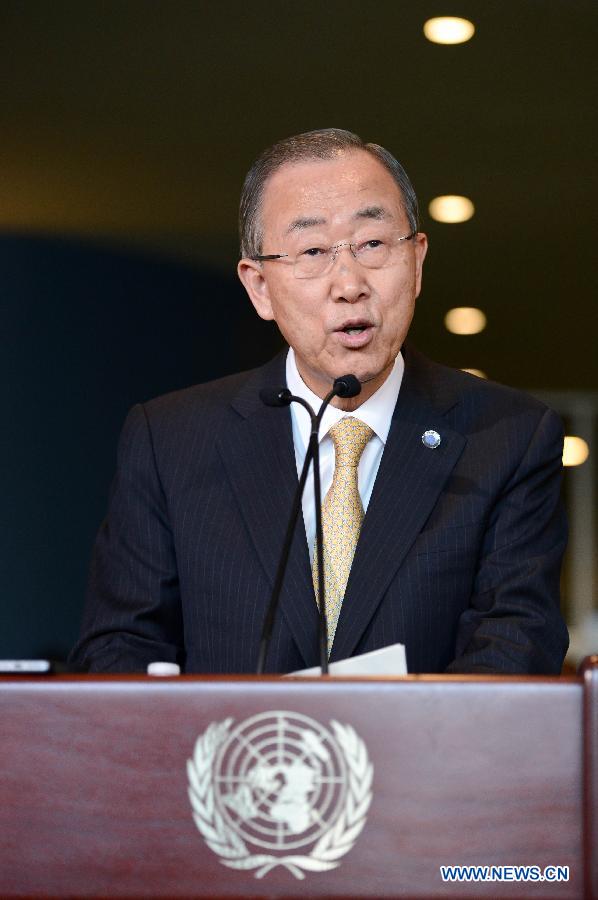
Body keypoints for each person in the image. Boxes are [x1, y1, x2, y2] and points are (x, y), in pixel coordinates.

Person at [71, 128, 568, 675]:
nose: (349, 283)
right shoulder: (169, 441)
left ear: (418, 261)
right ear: (259, 286)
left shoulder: (509, 436)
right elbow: (118, 651)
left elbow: (516, 647)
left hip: (425, 759)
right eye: (312, 251)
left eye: (373, 244)